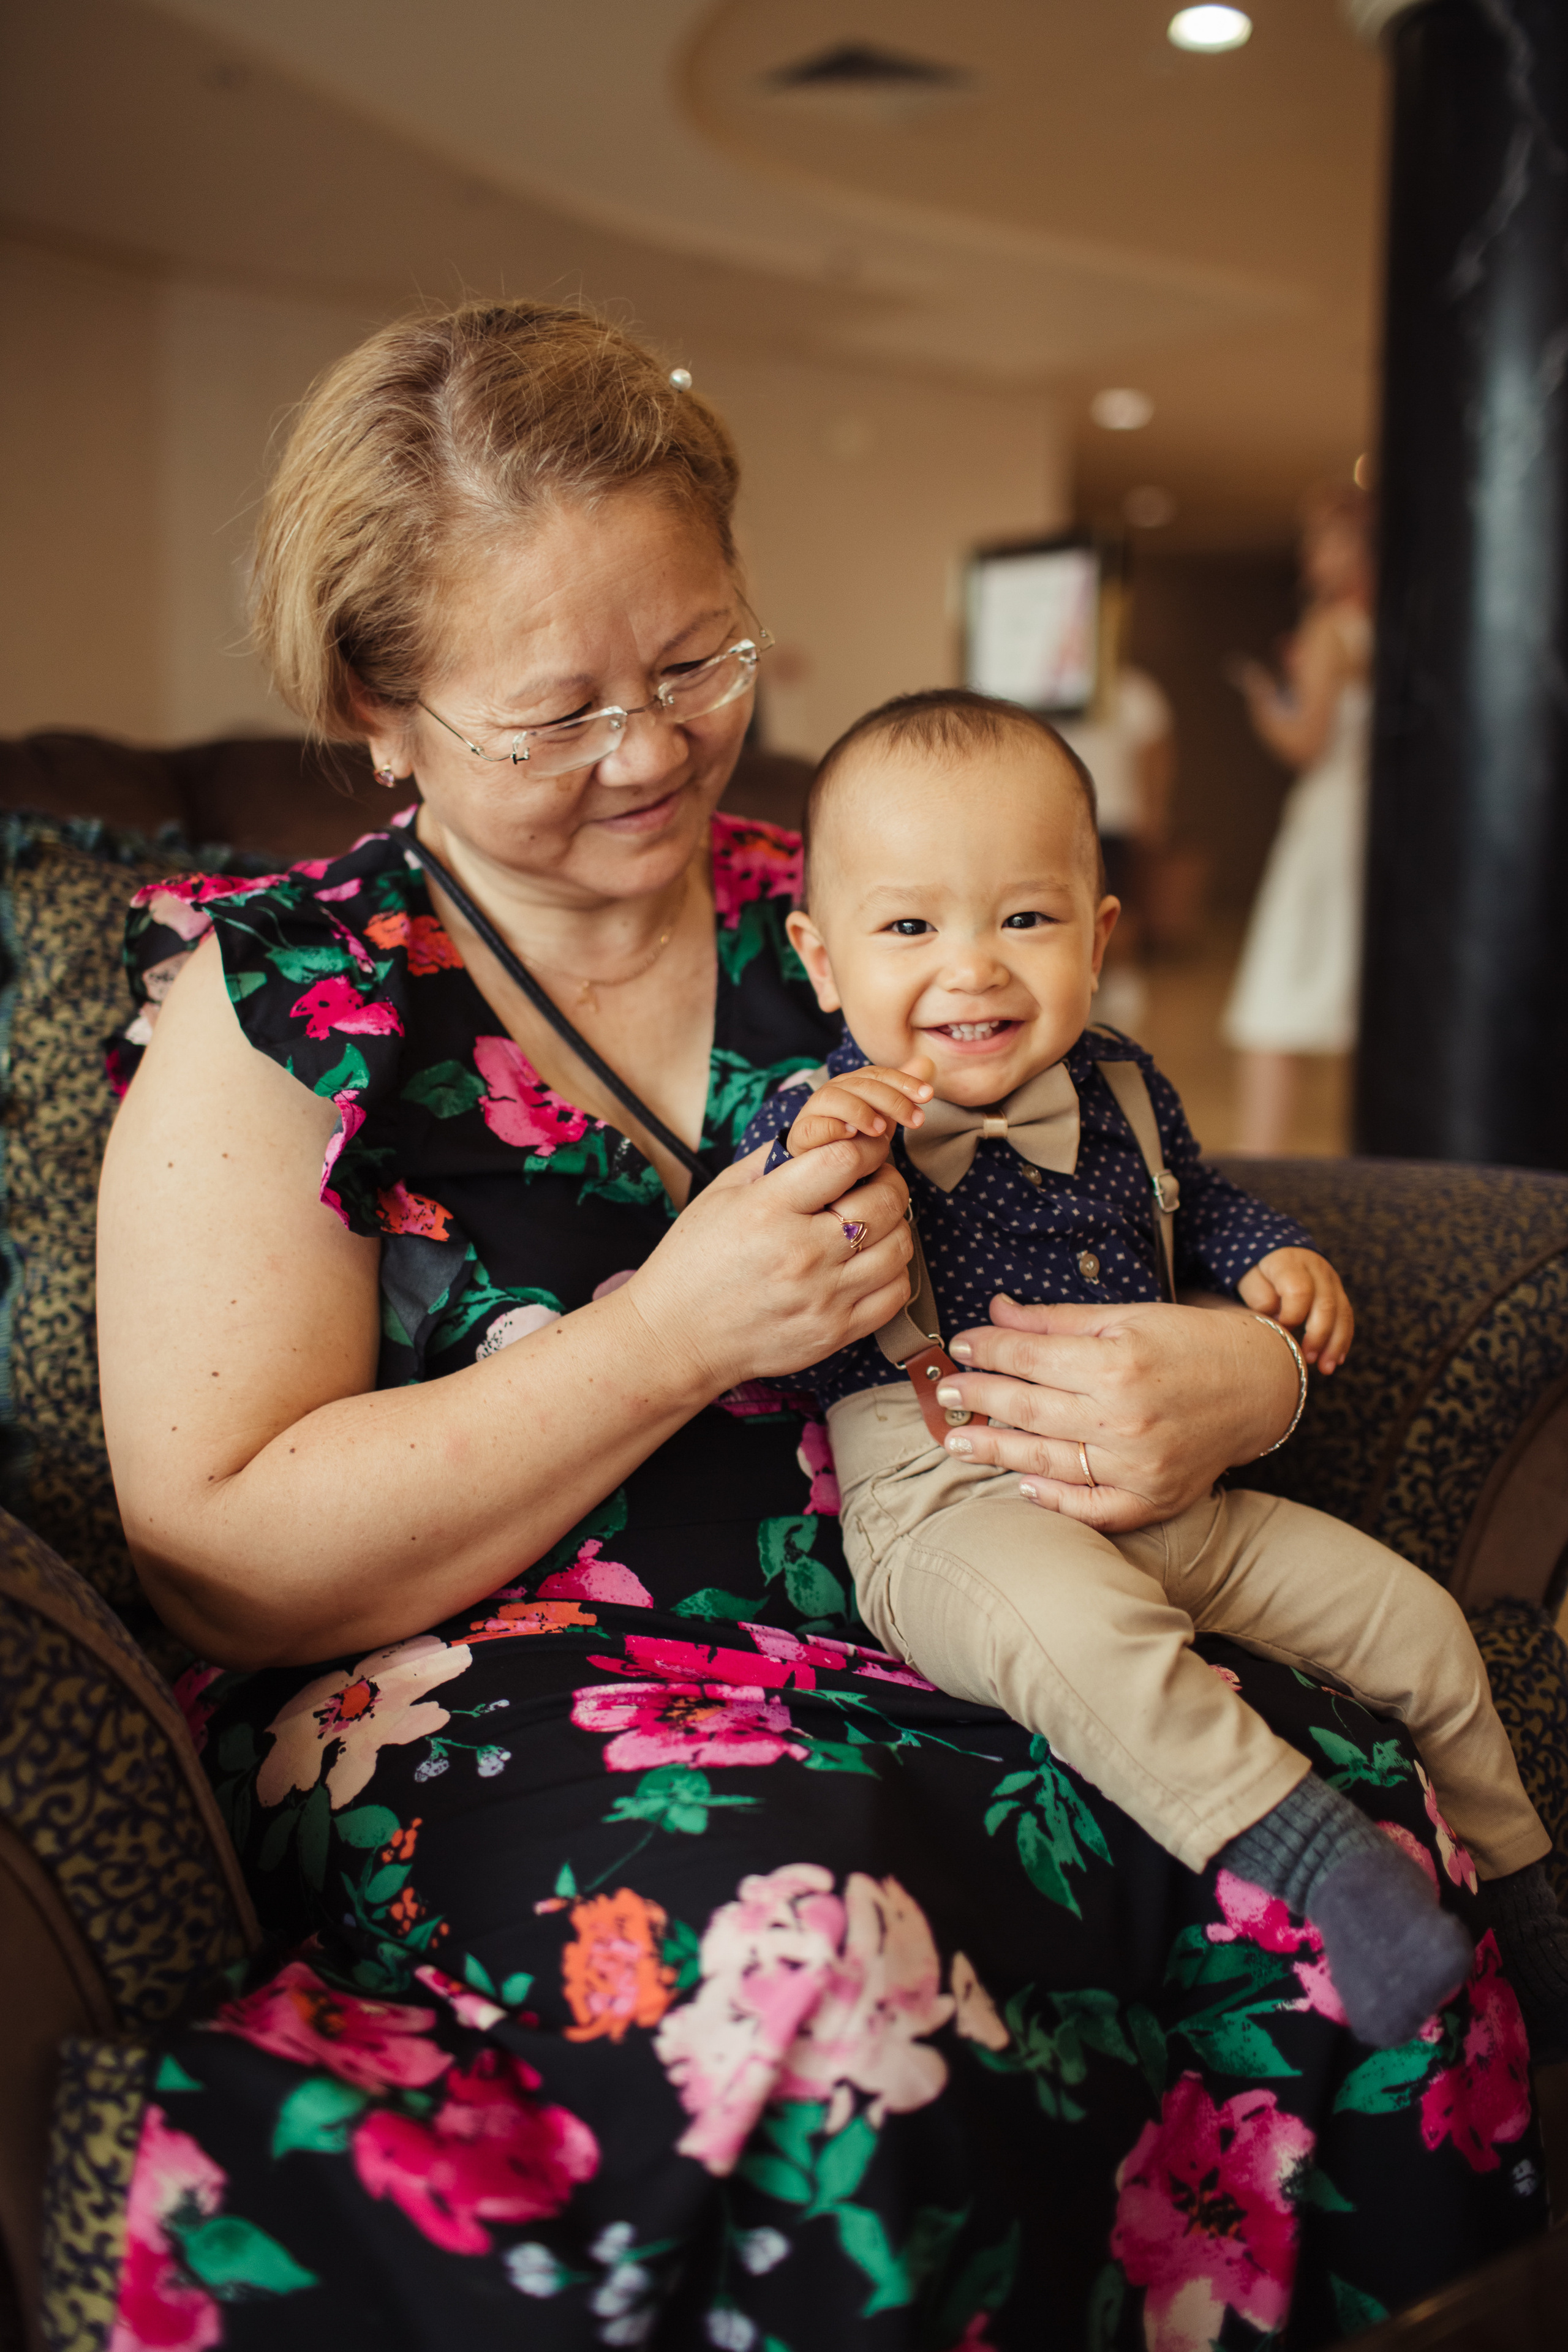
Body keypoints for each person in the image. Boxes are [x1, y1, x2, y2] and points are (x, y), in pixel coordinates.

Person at [96, 302, 1546, 2350]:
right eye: (555, 714)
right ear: (378, 706)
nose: (651, 751)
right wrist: (667, 1335)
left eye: (697, 663)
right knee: (822, 1976)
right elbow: (218, 1552)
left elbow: (1137, 1175)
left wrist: (1243, 1371)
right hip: (524, 1699)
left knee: (1346, 1847)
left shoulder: (877, 903)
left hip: (986, 1604)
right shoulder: (289, 1013)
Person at [741, 686, 1566, 2057]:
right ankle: (1326, 1872)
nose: (973, 969)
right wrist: (819, 1163)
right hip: (957, 1504)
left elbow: (1204, 1198)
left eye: (1024, 918)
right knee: (1086, 1635)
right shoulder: (814, 1123)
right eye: (909, 929)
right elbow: (765, 1270)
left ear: (1099, 935)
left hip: (1175, 1491)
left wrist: (1272, 1259)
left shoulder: (1124, 1084)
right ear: (822, 962)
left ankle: (1532, 1906)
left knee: (1418, 1625)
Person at [1223, 483, 1373, 1152]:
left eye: (1324, 541)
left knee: (1275, 995)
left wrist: (1265, 703)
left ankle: (1259, 1159)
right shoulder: (1388, 629)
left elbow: (1307, 744)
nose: (1312, 556)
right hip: (1371, 824)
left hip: (1327, 823)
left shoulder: (1328, 628)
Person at [1055, 660, 1174, 1033]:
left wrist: (1154, 812)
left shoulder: (1134, 689)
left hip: (1114, 816)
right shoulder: (1045, 686)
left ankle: (1122, 984)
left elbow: (1156, 756)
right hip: (1054, 820)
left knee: (1118, 904)